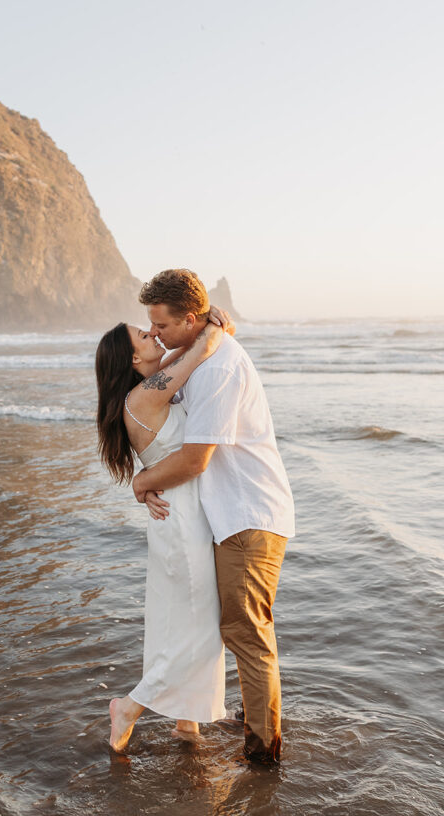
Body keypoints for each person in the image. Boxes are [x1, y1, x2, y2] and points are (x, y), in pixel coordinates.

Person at [132, 269, 295, 764]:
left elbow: (196, 459)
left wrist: (143, 483)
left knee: (246, 629)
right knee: (237, 626)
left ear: (190, 318)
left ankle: (264, 752)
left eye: (161, 324)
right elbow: (172, 381)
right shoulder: (205, 356)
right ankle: (252, 725)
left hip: (248, 513)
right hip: (228, 512)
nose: (155, 333)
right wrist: (206, 336)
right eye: (149, 326)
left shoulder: (221, 368)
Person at [95, 307, 232, 752]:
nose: (154, 336)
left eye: (154, 330)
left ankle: (188, 722)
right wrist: (212, 326)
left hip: (178, 515)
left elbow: (193, 352)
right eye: (144, 337)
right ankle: (130, 706)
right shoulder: (147, 395)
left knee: (180, 620)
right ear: (134, 361)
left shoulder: (147, 390)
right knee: (201, 623)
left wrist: (212, 326)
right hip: (181, 520)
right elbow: (202, 351)